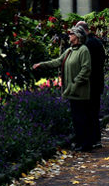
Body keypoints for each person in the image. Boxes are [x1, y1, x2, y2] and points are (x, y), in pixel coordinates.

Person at [33, 24, 93, 152]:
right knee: (76, 118)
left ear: (77, 36)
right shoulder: (69, 51)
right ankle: (80, 142)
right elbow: (57, 62)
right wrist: (41, 65)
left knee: (81, 117)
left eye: (71, 33)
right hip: (71, 90)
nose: (69, 35)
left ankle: (85, 143)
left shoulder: (83, 50)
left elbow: (86, 68)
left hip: (79, 91)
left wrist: (75, 82)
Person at [76, 20, 106, 149]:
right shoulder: (98, 42)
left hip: (88, 83)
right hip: (98, 82)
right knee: (94, 112)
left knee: (88, 113)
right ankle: (96, 139)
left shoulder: (85, 45)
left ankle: (90, 140)